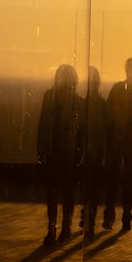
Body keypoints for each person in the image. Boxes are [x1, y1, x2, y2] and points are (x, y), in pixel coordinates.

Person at [37, 64, 83, 246]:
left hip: (58, 151)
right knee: (64, 193)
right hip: (64, 152)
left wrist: (41, 148)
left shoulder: (50, 97)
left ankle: (54, 228)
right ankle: (63, 227)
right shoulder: (76, 100)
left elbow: (43, 124)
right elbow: (81, 132)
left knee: (56, 193)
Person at [104, 57, 132, 232]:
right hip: (129, 144)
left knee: (115, 180)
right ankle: (125, 216)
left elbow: (109, 116)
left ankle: (111, 215)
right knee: (127, 181)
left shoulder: (117, 89)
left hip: (119, 142)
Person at [80, 67, 108, 239]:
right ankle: (89, 218)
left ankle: (87, 217)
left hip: (90, 150)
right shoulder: (101, 104)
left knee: (89, 187)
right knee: (92, 188)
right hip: (95, 150)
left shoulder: (84, 104)